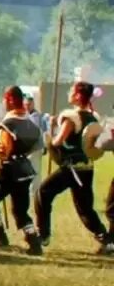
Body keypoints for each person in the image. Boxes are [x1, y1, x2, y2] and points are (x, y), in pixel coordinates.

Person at [35, 81, 109, 253]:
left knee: (43, 193)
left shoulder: (71, 117)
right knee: (85, 208)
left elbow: (58, 141)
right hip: (87, 168)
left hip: (71, 168)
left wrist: (52, 129)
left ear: (77, 95)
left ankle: (43, 234)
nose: (69, 93)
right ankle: (106, 239)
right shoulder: (93, 118)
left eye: (71, 91)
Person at [0, 85, 44, 255]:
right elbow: (36, 146)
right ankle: (34, 243)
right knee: (20, 211)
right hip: (25, 169)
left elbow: (3, 151)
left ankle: (0, 237)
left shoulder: (8, 123)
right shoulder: (30, 122)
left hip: (9, 171)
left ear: (8, 98)